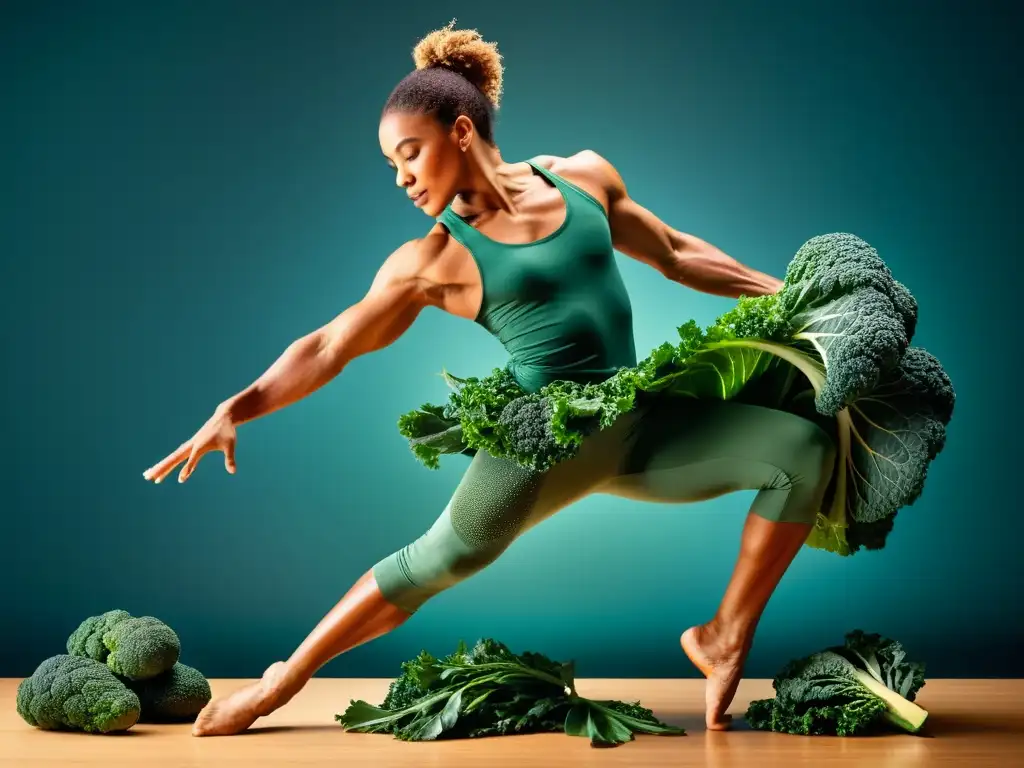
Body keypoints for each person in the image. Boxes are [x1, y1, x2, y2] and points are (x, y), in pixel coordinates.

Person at [143, 22, 836, 737]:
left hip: (635, 429)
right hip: (538, 446)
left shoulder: (583, 176)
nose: (402, 176)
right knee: (436, 560)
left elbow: (677, 254)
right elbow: (328, 345)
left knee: (803, 453)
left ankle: (723, 635)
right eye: (390, 165)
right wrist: (237, 407)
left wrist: (791, 293)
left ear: (462, 130)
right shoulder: (431, 261)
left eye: (409, 153)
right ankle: (278, 685)